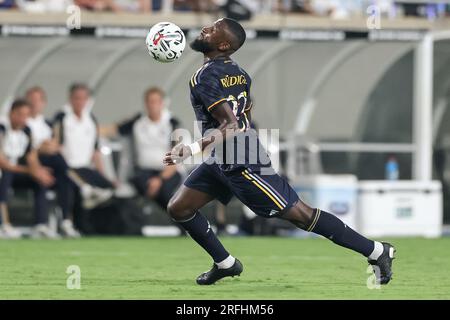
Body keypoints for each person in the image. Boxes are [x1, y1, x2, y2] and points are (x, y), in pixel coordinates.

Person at [164, 18, 396, 285]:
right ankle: (226, 264)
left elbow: (232, 123)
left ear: (224, 44)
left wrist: (191, 148)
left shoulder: (204, 76)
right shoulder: (239, 73)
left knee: (301, 215)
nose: (206, 29)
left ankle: (377, 251)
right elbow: (244, 116)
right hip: (222, 157)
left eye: (213, 29)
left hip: (244, 164)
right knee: (179, 207)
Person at [101, 87, 184, 234]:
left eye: (156, 101)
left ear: (163, 103)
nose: (153, 105)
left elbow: (176, 159)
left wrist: (158, 179)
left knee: (164, 190)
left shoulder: (172, 123)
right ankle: (184, 222)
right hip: (143, 171)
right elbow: (112, 129)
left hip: (167, 171)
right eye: (149, 102)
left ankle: (183, 222)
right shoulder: (137, 121)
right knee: (143, 183)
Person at [25, 86, 80, 238]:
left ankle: (66, 221)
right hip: (28, 166)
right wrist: (40, 148)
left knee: (65, 180)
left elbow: (55, 144)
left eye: (37, 100)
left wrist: (50, 146)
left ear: (43, 103)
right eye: (31, 100)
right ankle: (41, 224)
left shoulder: (47, 124)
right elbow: (26, 149)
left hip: (50, 166)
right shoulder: (23, 123)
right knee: (52, 171)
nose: (34, 104)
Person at [53, 83, 114, 214]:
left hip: (85, 168)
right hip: (66, 168)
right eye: (76, 98)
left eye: (83, 98)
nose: (80, 102)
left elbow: (95, 151)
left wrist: (102, 174)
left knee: (109, 187)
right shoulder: (62, 117)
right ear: (70, 99)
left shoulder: (91, 119)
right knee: (69, 185)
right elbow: (56, 145)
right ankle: (67, 221)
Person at [0, 99, 56, 238]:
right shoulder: (2, 129)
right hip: (5, 171)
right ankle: (3, 224)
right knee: (4, 175)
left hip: (17, 172)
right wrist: (29, 170)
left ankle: (41, 225)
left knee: (38, 181)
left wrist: (38, 172)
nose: (22, 119)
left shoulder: (27, 131)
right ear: (11, 113)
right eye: (19, 114)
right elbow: (3, 163)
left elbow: (31, 157)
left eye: (26, 115)